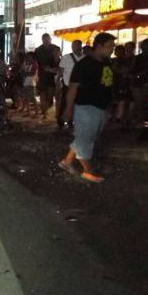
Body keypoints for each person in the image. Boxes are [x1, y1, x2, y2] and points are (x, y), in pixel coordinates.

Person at [59, 32, 116, 184]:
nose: (113, 49)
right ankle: (87, 171)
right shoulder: (84, 65)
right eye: (110, 46)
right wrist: (68, 109)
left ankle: (67, 161)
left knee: (85, 138)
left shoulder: (106, 62)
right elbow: (73, 88)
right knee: (85, 140)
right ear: (99, 46)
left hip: (101, 108)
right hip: (86, 108)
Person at [56, 40, 84, 128]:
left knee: (76, 104)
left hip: (79, 85)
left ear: (80, 46)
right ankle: (61, 121)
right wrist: (57, 81)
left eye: (76, 45)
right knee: (65, 103)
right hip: (67, 84)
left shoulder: (84, 58)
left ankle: (71, 121)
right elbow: (60, 71)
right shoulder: (66, 57)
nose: (74, 47)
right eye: (73, 45)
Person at [34, 33, 60, 120]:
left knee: (50, 94)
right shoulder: (38, 50)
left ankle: (48, 105)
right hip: (42, 74)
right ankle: (44, 112)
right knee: (42, 93)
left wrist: (53, 67)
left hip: (53, 75)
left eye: (47, 39)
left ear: (50, 39)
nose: (46, 41)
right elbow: (36, 62)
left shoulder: (55, 48)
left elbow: (58, 60)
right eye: (44, 40)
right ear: (42, 40)